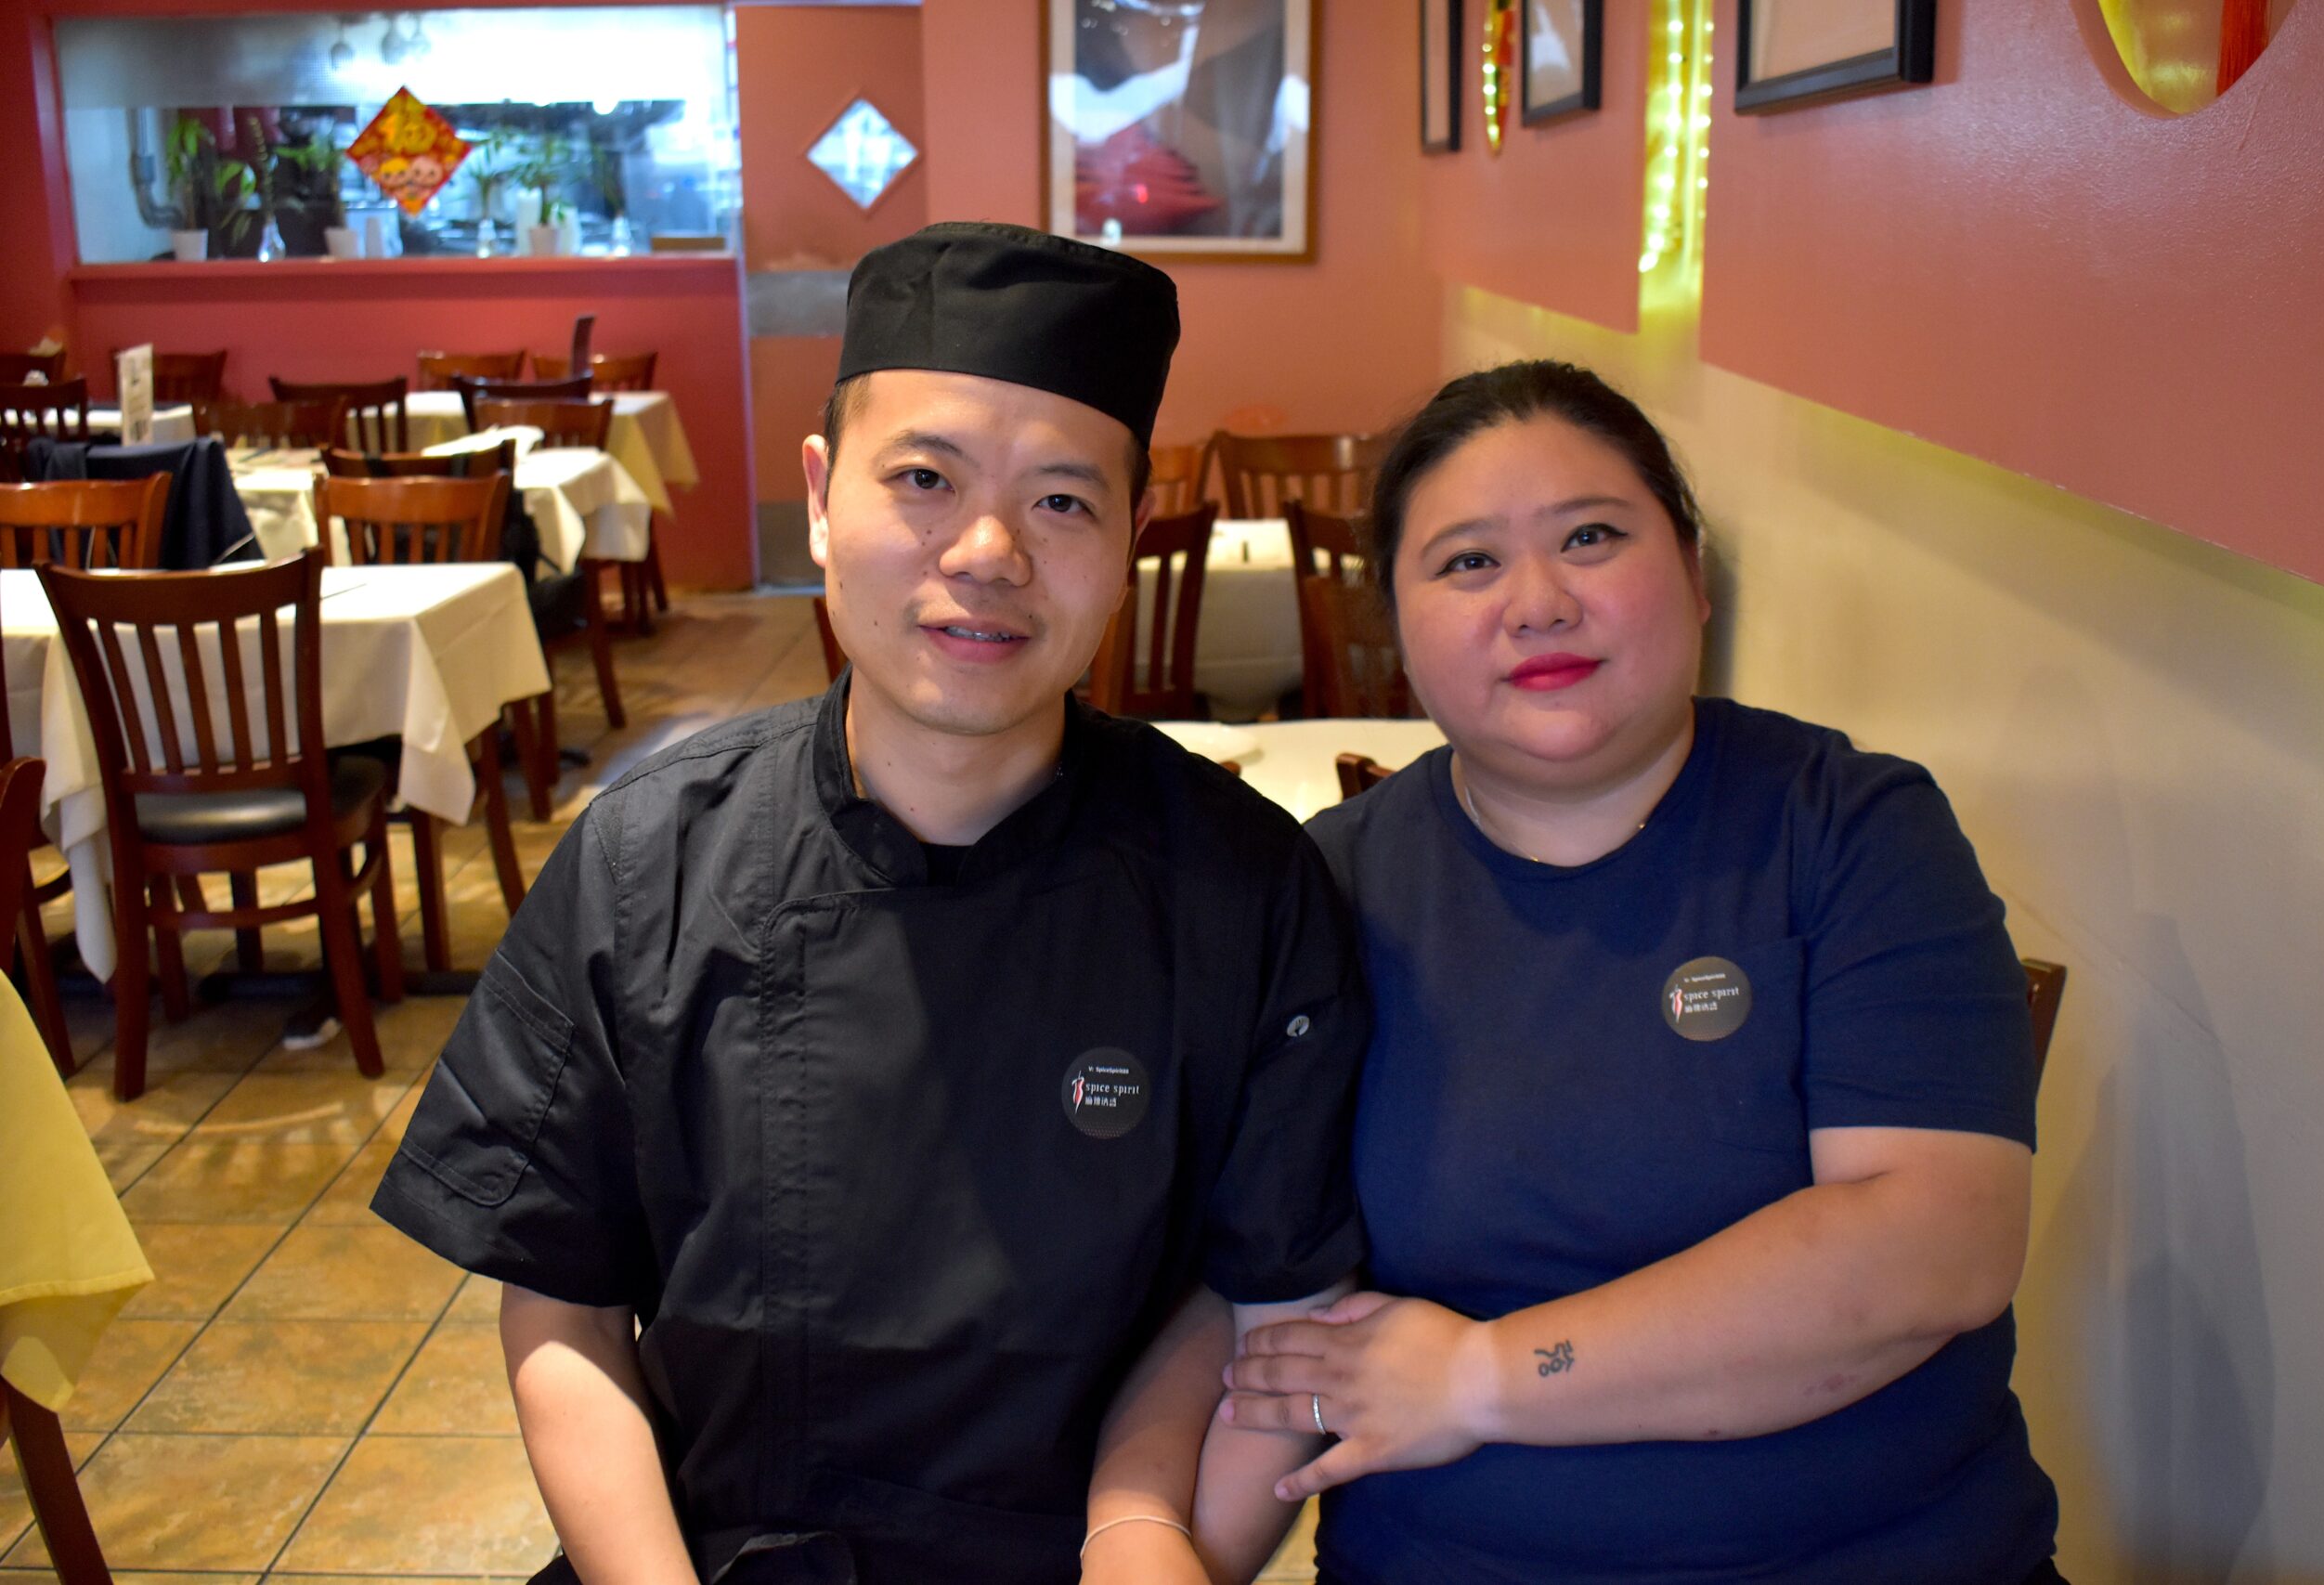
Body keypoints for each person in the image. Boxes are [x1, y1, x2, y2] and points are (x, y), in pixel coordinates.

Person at [373, 221, 1362, 1585]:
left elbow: (1270, 1301)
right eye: (925, 479)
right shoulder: (647, 859)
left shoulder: (1243, 885)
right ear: (821, 498)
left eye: (1063, 501)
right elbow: (565, 1316)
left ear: (1133, 536)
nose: (990, 550)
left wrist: (1157, 1543)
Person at [1216, 360, 2061, 1583]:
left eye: (1591, 537)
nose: (1539, 603)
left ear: (1696, 573)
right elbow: (1261, 1302)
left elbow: (1936, 1247)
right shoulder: (1325, 890)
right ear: (1392, 628)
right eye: (1468, 561)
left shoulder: (1849, 829)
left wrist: (1480, 1379)